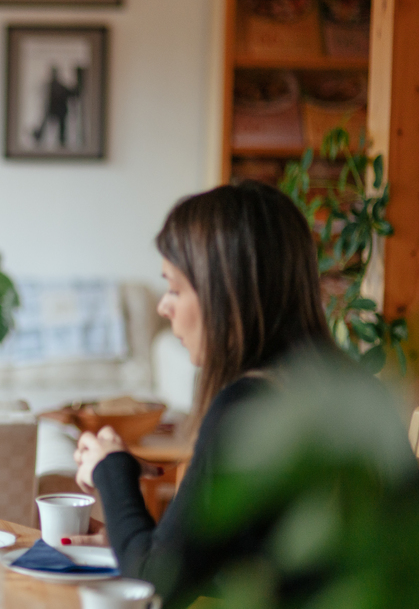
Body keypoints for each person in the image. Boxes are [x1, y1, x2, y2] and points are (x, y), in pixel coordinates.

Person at [70, 181, 419, 607]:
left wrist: (111, 468)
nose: (165, 306)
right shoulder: (355, 391)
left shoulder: (248, 405)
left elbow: (159, 583)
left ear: (224, 292)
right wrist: (130, 538)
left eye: (176, 288)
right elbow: (275, 567)